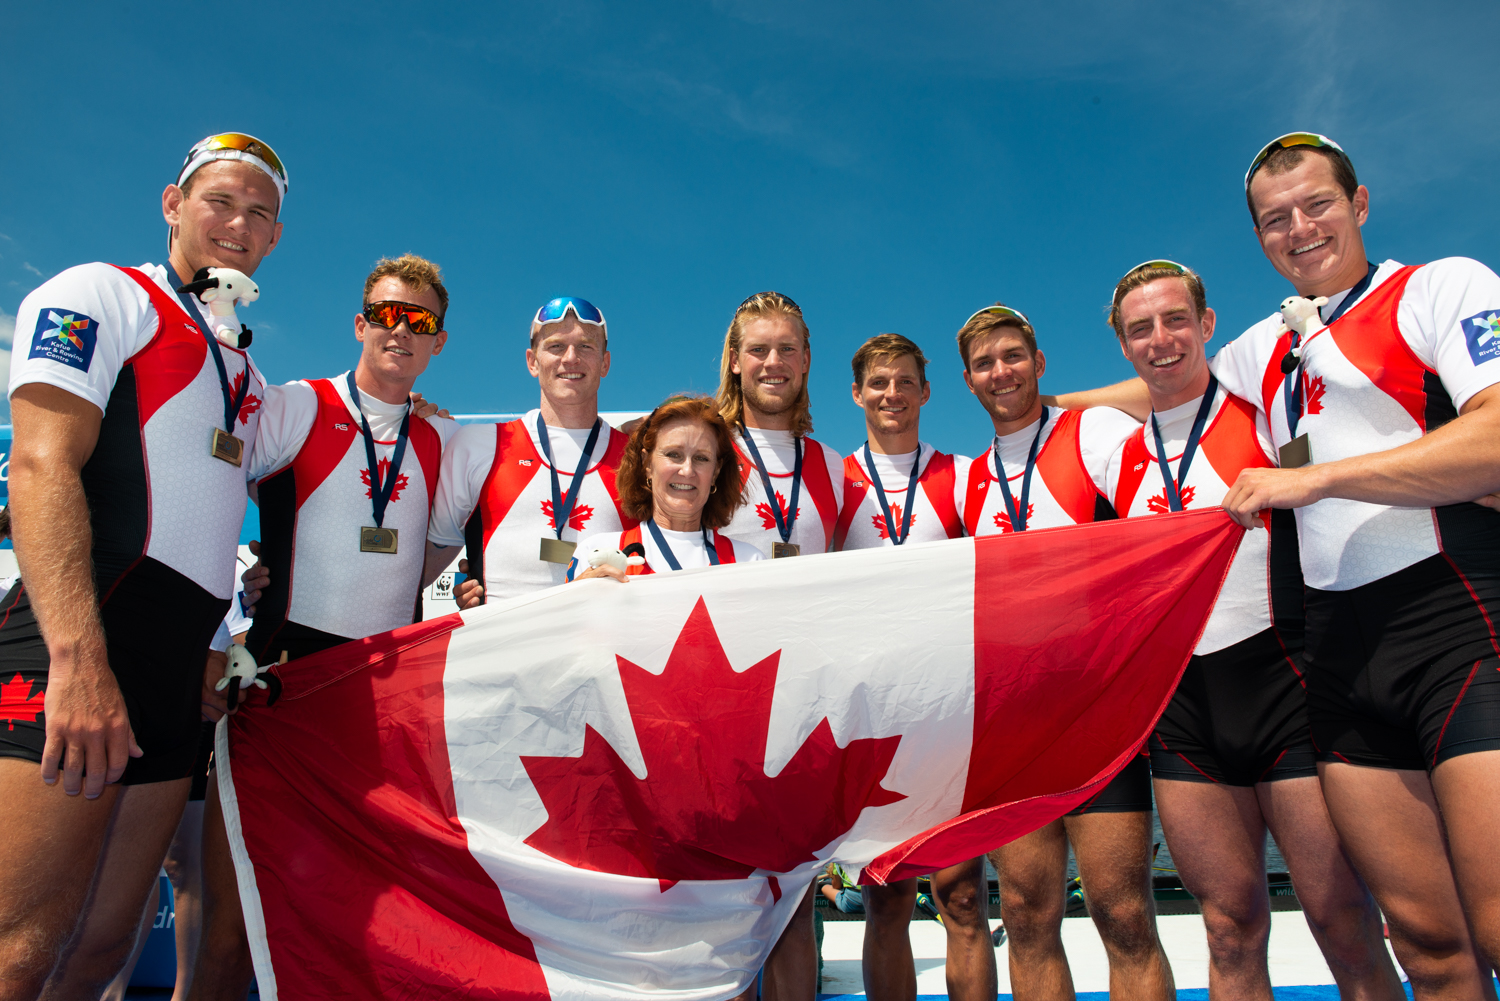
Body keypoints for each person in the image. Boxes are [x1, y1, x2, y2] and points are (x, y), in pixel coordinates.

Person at [1060, 132, 1500, 997]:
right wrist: (1030, 409)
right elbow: (1156, 378)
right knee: (1428, 942)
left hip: (1458, 626)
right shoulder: (1265, 348)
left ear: (1360, 202)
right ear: (1260, 238)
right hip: (1340, 659)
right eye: (1275, 219)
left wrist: (1317, 479)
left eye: (1317, 204)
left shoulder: (1443, 286)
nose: (1299, 228)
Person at [0, 131, 283, 997]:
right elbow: (41, 465)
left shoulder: (249, 373)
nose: (238, 223)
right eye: (219, 201)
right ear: (172, 203)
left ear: (273, 237)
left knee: (99, 946)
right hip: (82, 641)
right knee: (19, 946)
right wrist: (81, 661)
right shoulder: (101, 293)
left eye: (259, 213)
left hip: (172, 676)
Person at [1105, 259, 1401, 1001]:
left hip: (1287, 690)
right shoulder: (1111, 454)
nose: (1161, 339)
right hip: (1184, 711)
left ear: (1209, 326)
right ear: (1122, 345)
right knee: (1229, 927)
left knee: (1341, 918)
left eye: (1177, 320)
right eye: (1140, 328)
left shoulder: (1263, 407)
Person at [189, 253, 459, 1000]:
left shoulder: (444, 442)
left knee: (353, 923)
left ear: (439, 341)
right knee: (230, 931)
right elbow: (204, 488)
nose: (400, 331)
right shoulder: (297, 405)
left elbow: (432, 555)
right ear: (360, 322)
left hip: (380, 699)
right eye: (386, 313)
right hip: (279, 685)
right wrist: (228, 621)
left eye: (421, 321)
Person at [956, 303, 1173, 1001]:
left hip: (1098, 715)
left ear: (1041, 363)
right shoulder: (967, 479)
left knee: (1124, 913)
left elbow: (1171, 391)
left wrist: (1057, 403)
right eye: (986, 363)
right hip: (1013, 723)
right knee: (1024, 915)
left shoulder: (1094, 430)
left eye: (1014, 356)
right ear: (968, 380)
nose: (1001, 372)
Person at [828, 334, 995, 1001]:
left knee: (962, 900)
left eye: (904, 382)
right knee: (886, 903)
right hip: (873, 717)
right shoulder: (832, 483)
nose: (891, 394)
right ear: (856, 393)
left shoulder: (961, 475)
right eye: (878, 383)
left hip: (948, 713)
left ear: (927, 392)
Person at [431, 297, 636, 608]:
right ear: (532, 361)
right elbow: (423, 564)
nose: (571, 358)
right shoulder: (477, 446)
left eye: (586, 347)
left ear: (605, 362)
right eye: (555, 346)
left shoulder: (639, 459)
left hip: (599, 650)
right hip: (501, 651)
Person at [567, 395, 762, 581]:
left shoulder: (750, 564)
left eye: (701, 458)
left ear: (716, 472)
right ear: (647, 464)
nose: (687, 471)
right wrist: (580, 596)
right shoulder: (598, 554)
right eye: (673, 454)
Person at [716, 292, 844, 558]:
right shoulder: (707, 453)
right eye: (758, 350)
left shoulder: (834, 466)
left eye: (787, 349)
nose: (774, 362)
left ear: (805, 359)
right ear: (735, 361)